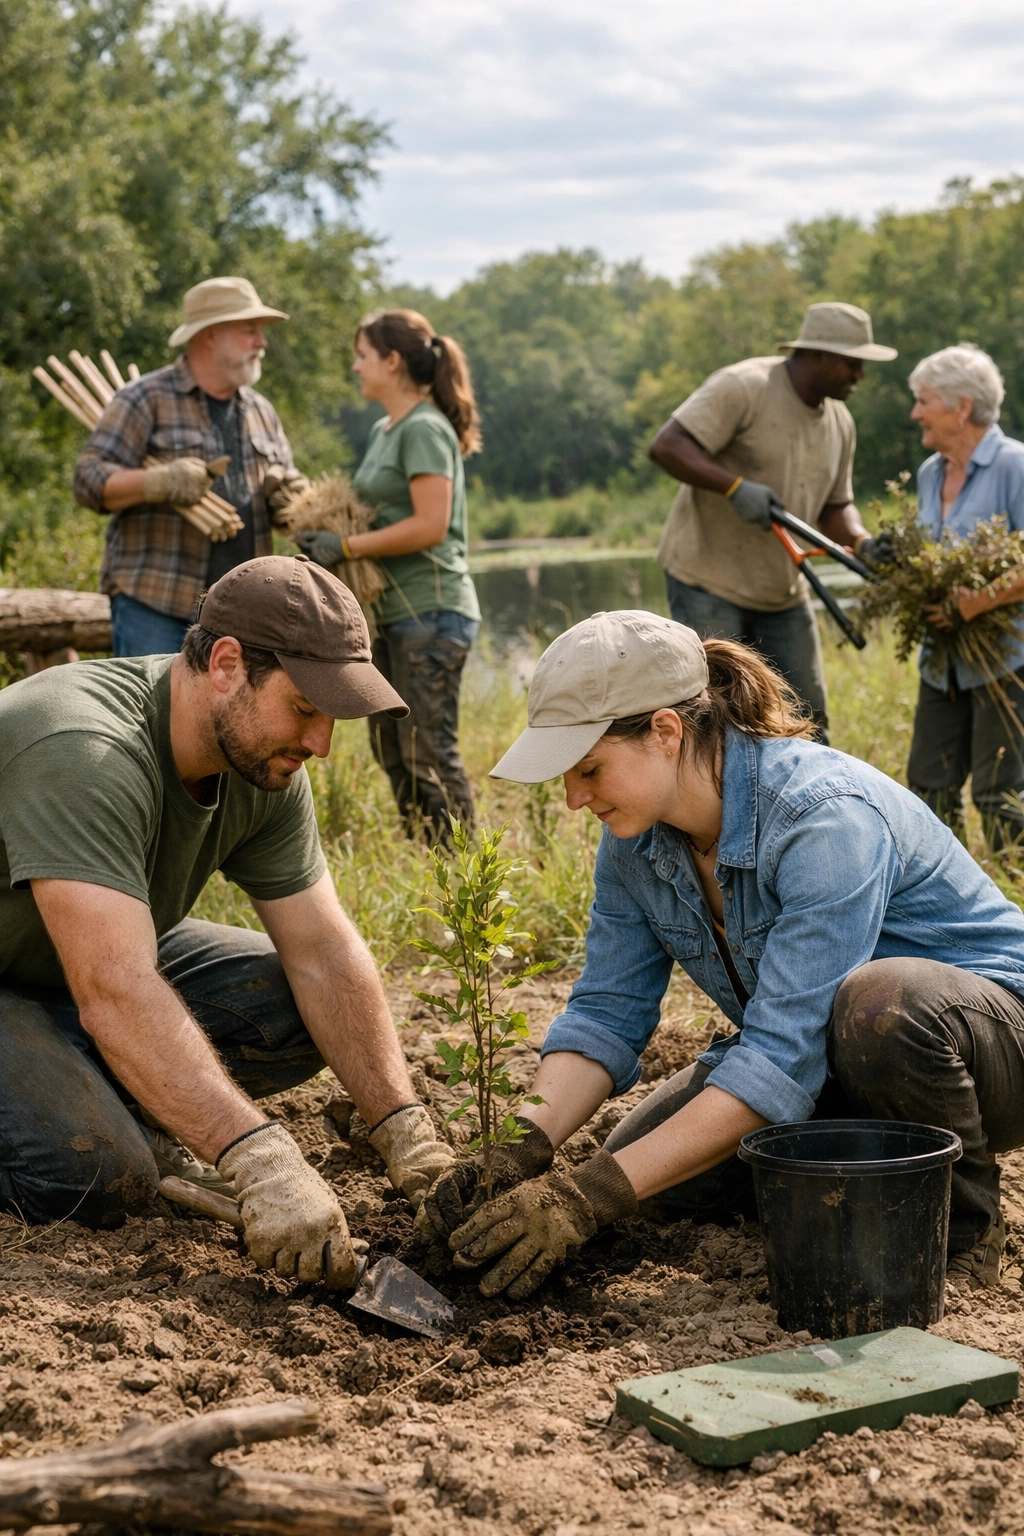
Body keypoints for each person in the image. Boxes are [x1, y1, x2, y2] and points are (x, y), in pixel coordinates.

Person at [418, 610, 1024, 1295]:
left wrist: (586, 1197)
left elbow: (779, 1058)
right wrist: (518, 1148)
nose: (573, 799)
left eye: (589, 769)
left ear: (665, 732)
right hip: (835, 1055)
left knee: (879, 1004)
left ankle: (965, 1232)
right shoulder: (633, 847)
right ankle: (857, 1175)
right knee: (651, 1171)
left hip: (984, 1052)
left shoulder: (822, 817)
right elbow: (606, 1014)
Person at [0, 554, 456, 1282]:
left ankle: (95, 1079)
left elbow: (323, 953)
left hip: (69, 963)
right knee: (97, 1172)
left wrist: (405, 1132)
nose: (320, 744)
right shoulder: (83, 748)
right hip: (49, 977)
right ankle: (93, 1102)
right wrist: (260, 1158)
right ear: (226, 664)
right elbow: (115, 988)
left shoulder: (260, 764)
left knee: (295, 1009)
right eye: (305, 709)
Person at [648, 302, 897, 739]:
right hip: (709, 582)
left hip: (783, 592)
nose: (860, 373)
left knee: (808, 722)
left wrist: (862, 541)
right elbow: (668, 446)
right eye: (852, 362)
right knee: (717, 722)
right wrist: (733, 487)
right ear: (818, 354)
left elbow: (835, 507)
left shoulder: (841, 422)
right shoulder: (744, 386)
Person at [295, 308, 482, 843]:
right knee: (392, 749)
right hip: (390, 616)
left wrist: (345, 546)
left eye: (363, 355)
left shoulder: (423, 427)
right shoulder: (386, 429)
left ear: (393, 361)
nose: (356, 366)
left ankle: (467, 873)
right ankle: (428, 857)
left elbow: (430, 525)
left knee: (427, 749)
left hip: (432, 613)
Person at [73, 277, 310, 658]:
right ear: (211, 335)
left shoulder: (262, 411)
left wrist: (292, 502)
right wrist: (158, 482)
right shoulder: (145, 398)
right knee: (154, 699)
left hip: (240, 610)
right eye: (250, 330)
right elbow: (87, 480)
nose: (262, 342)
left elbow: (280, 511)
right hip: (158, 605)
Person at [905, 343, 1024, 850]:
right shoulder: (930, 473)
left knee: (1000, 793)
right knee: (928, 783)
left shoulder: (1015, 465)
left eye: (924, 401)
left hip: (1007, 658)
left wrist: (974, 603)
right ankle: (942, 884)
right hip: (942, 660)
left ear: (963, 408)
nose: (916, 413)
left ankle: (1011, 884)